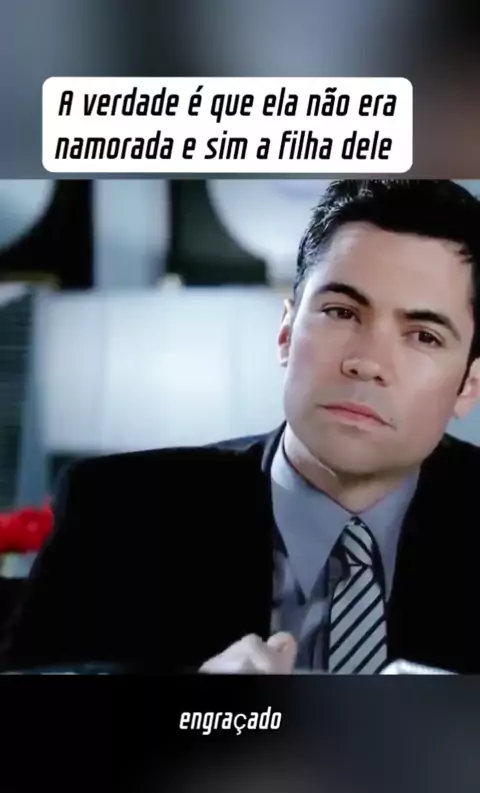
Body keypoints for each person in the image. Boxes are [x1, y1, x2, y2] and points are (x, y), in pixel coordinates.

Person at [3, 178, 480, 675]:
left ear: (469, 384)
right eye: (341, 312)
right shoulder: (117, 509)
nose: (367, 362)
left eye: (423, 336)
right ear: (285, 333)